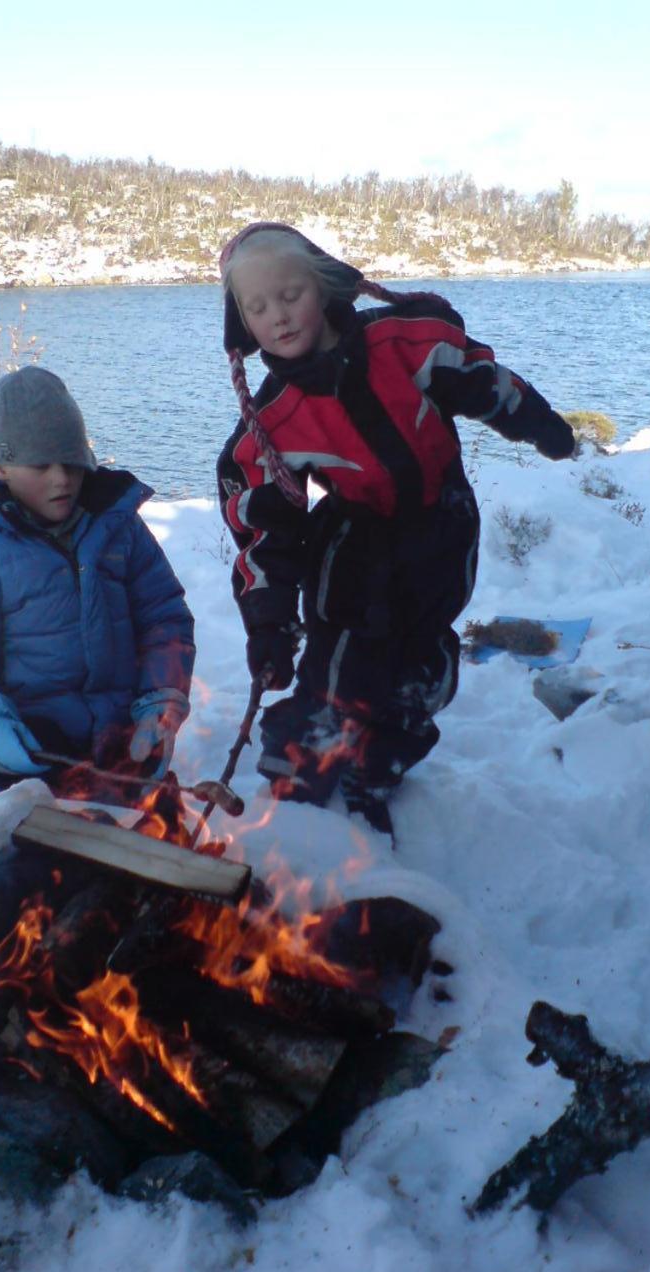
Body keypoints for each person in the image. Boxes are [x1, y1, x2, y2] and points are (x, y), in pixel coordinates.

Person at [216, 223, 574, 835]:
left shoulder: (403, 342)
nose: (278, 316)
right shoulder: (273, 421)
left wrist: (539, 424)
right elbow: (263, 528)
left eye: (290, 294)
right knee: (342, 654)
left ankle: (377, 763)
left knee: (417, 660)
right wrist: (269, 623)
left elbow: (483, 378)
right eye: (257, 307)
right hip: (356, 537)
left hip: (441, 524)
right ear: (242, 324)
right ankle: (304, 765)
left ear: (324, 284)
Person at [0, 364, 195, 801]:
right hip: (32, 750)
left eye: (72, 462)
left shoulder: (118, 529)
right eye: (41, 465)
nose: (61, 479)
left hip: (121, 742)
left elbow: (165, 622)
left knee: (154, 847)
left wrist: (158, 706)